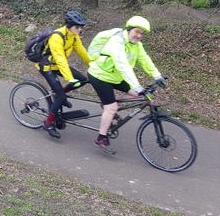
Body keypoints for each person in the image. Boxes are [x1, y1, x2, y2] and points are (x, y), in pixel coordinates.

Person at [87, 16, 166, 154]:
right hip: (100, 76)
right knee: (111, 107)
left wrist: (157, 75)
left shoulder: (136, 45)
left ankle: (109, 106)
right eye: (137, 31)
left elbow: (145, 59)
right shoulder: (116, 42)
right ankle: (101, 137)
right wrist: (137, 85)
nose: (139, 35)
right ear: (128, 29)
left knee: (140, 95)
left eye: (142, 33)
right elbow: (123, 65)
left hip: (116, 77)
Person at [38, 11, 91, 139]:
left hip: (58, 65)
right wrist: (69, 78)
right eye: (77, 27)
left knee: (83, 80)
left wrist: (93, 65)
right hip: (48, 66)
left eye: (81, 27)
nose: (80, 30)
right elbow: (60, 58)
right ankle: (48, 123)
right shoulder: (57, 36)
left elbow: (82, 51)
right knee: (62, 97)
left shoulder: (73, 36)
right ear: (69, 26)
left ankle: (58, 95)